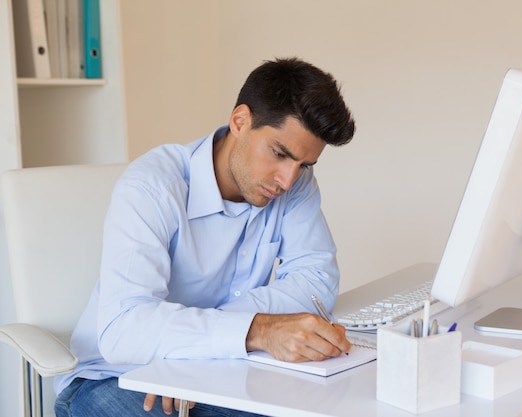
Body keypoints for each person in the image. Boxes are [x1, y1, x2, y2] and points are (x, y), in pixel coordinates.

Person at [54, 57, 356, 417]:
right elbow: (125, 329)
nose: (288, 180)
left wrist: (196, 348)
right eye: (279, 153)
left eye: (303, 165)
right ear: (240, 121)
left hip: (223, 369)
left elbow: (315, 282)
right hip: (115, 376)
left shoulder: (295, 186)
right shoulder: (152, 187)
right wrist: (255, 330)